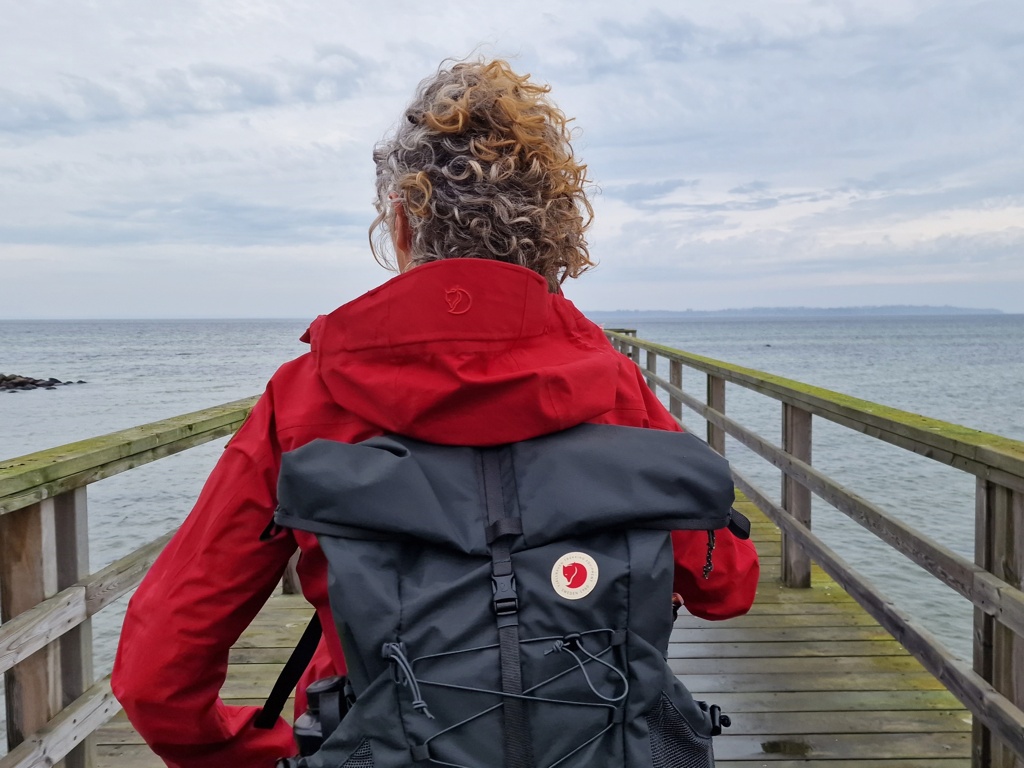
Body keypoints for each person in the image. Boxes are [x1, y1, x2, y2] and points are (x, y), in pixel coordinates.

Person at [112, 58, 759, 768]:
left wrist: (272, 750)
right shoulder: (613, 387)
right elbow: (726, 585)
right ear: (552, 238)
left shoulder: (303, 399)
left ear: (400, 224)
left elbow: (156, 677)